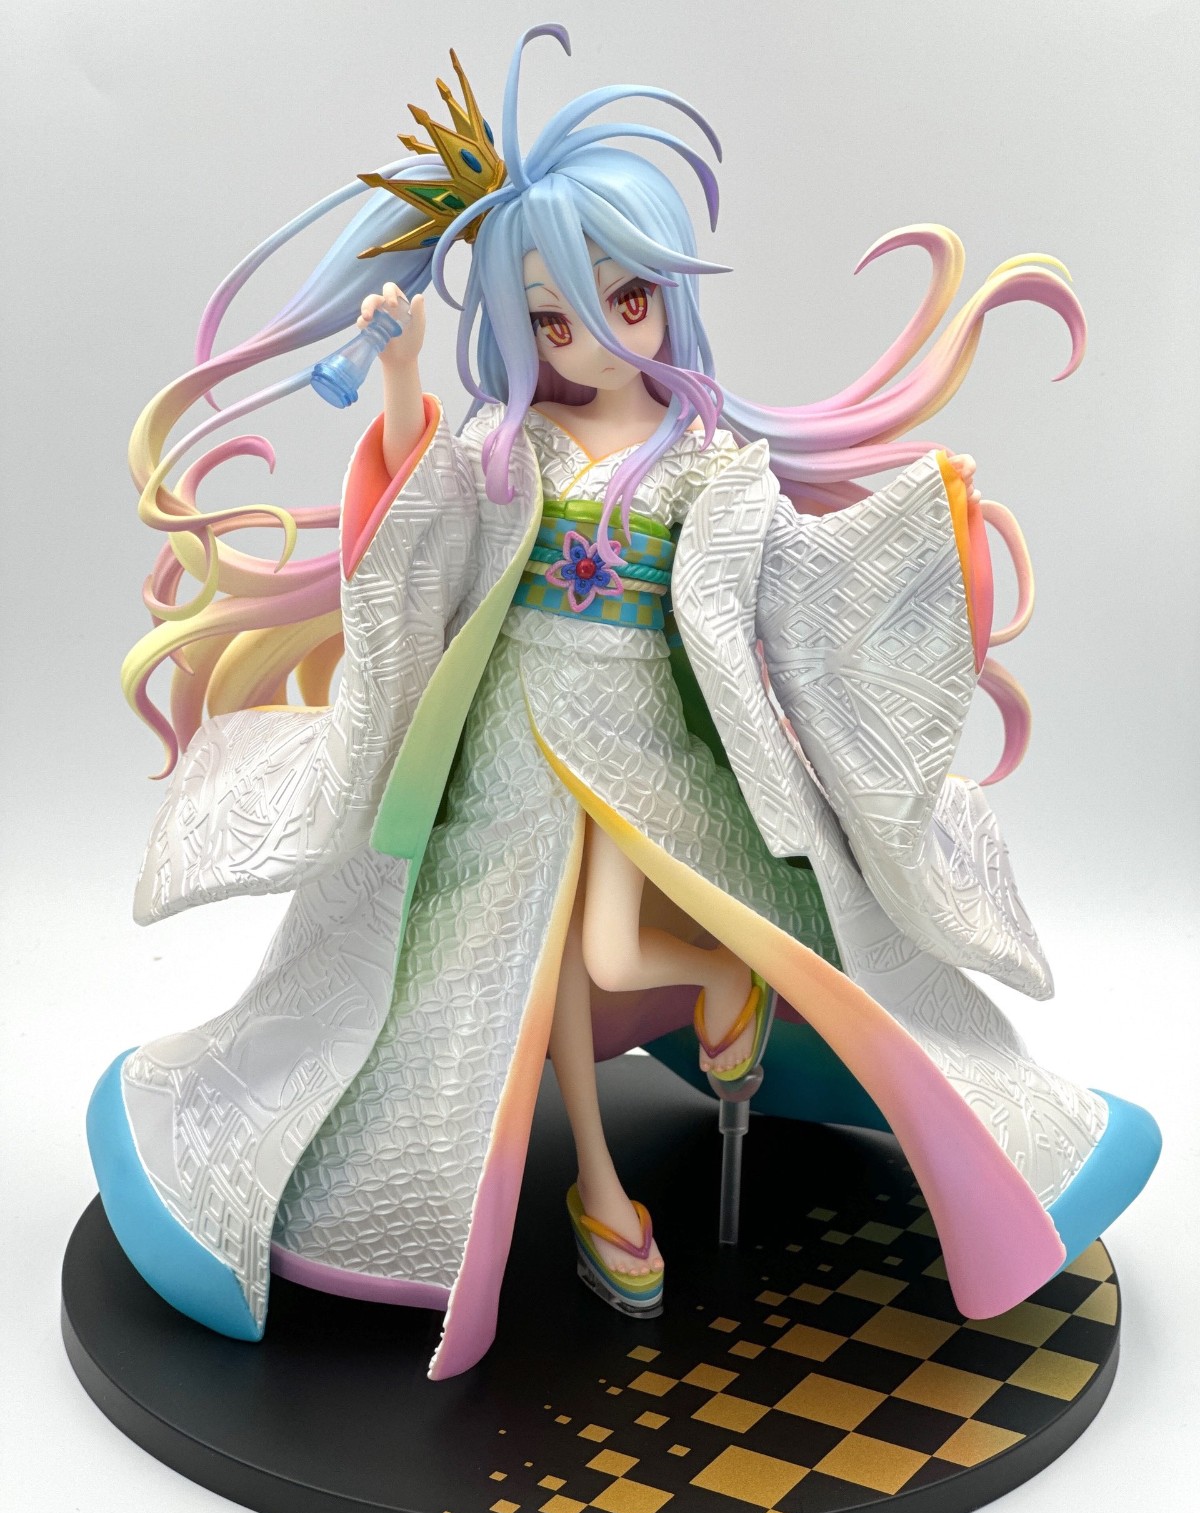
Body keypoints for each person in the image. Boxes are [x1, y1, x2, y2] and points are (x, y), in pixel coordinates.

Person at [87, 23, 1159, 1380]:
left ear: (666, 296)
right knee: (526, 968)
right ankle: (600, 1184)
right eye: (552, 319)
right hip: (514, 744)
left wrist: (910, 533)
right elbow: (419, 516)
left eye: (626, 299)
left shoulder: (706, 459)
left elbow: (792, 591)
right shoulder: (512, 444)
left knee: (603, 944)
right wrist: (404, 373)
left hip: (646, 736)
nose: (594, 337)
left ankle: (703, 1013)